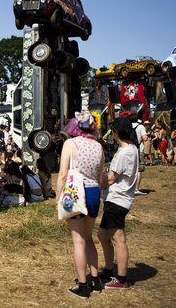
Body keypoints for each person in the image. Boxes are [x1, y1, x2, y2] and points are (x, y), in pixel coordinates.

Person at [57, 110, 105, 299]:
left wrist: (58, 197)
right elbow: (101, 174)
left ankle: (83, 285)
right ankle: (95, 279)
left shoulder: (70, 143)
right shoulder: (98, 147)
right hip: (94, 192)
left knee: (78, 240)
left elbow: (62, 174)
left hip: (76, 192)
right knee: (88, 237)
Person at [97, 116, 140, 290]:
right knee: (102, 235)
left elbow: (112, 178)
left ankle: (121, 279)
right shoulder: (132, 149)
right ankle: (108, 270)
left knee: (118, 239)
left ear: (116, 132)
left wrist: (93, 184)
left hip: (117, 200)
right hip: (115, 199)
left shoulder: (124, 152)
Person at [132, 119, 148, 196]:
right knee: (139, 169)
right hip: (139, 149)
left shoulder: (128, 125)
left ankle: (129, 188)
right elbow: (145, 138)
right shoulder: (140, 126)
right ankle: (136, 189)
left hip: (129, 149)